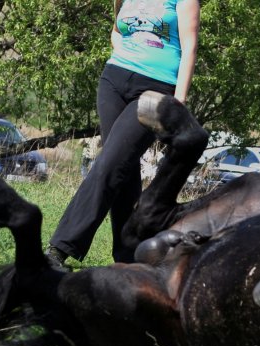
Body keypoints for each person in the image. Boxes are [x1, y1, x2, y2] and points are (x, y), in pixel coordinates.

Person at [46, 0, 200, 269]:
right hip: (113, 81)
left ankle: (60, 248)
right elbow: (117, 30)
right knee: (123, 168)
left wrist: (179, 101)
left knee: (109, 163)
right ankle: (129, 257)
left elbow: (189, 48)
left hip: (155, 87)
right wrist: (127, 53)